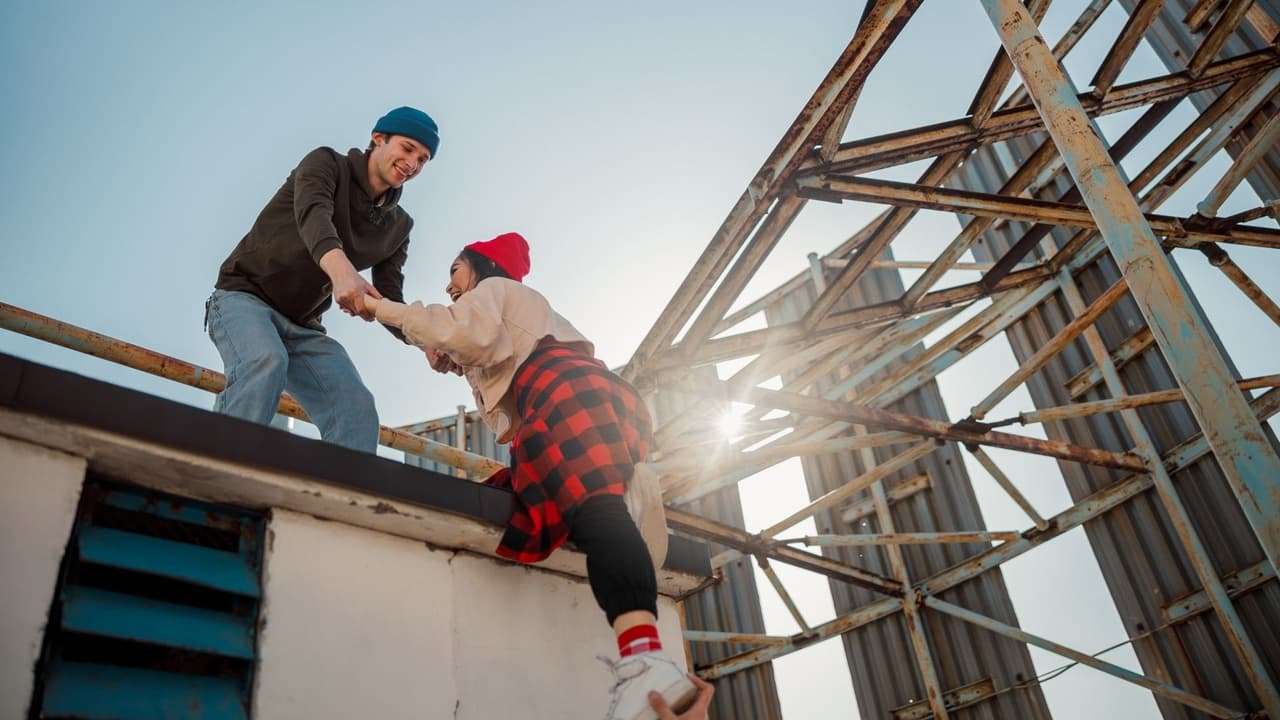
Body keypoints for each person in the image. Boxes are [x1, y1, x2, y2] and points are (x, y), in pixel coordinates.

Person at [364, 232, 713, 720]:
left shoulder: (496, 292)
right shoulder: (523, 308)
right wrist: (455, 354)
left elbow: (458, 330)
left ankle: (644, 659)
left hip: (558, 391)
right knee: (575, 507)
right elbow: (478, 346)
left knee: (596, 511)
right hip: (571, 393)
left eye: (455, 270)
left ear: (481, 266)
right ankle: (642, 653)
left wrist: (383, 308)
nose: (449, 286)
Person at [205, 106, 439, 452]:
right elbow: (314, 216)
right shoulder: (326, 163)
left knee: (356, 406)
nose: (413, 164)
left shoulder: (399, 227)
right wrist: (344, 274)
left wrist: (426, 341)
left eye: (422, 159)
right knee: (266, 363)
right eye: (407, 149)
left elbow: (389, 296)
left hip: (303, 327)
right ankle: (214, 468)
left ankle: (339, 500)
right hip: (243, 297)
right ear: (378, 139)